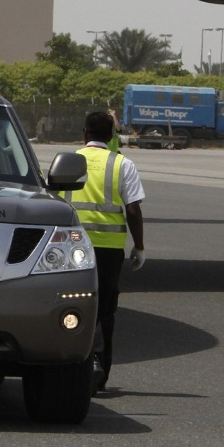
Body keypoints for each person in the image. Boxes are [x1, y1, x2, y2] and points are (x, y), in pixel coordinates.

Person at [60, 109, 145, 391]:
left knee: (70, 304)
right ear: (110, 137)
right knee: (104, 310)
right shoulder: (122, 164)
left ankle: (68, 366)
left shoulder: (67, 161)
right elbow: (133, 209)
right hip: (109, 250)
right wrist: (140, 246)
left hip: (71, 245)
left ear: (84, 133)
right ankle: (99, 371)